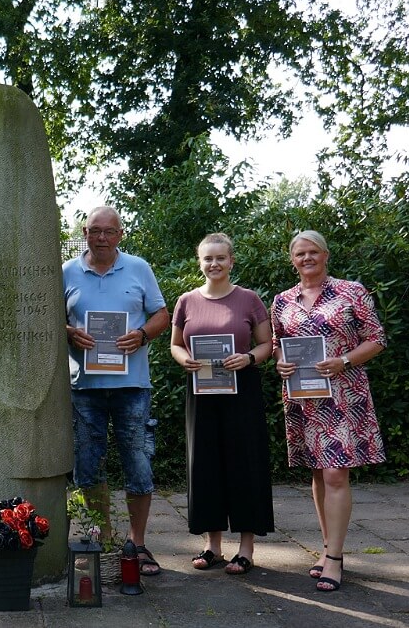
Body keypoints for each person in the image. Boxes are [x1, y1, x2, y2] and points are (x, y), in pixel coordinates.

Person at [271, 230, 387, 593]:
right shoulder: (282, 300)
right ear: (292, 260)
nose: (307, 258)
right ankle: (326, 549)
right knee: (320, 474)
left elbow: (377, 338)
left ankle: (335, 559)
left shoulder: (352, 291)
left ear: (326, 255)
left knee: (336, 474)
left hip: (342, 393)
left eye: (313, 252)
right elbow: (276, 344)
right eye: (300, 253)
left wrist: (344, 360)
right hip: (303, 396)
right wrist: (280, 364)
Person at [63, 206, 170, 576]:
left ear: (120, 235)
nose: (102, 238)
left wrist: (142, 335)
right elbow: (50, 319)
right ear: (85, 232)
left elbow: (162, 315)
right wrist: (68, 332)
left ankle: (137, 543)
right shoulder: (66, 272)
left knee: (138, 466)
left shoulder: (139, 268)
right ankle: (103, 541)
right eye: (95, 231)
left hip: (131, 386)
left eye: (109, 231)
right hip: (85, 387)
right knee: (87, 467)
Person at [169, 233, 275, 575]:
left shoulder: (249, 299)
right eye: (207, 259)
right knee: (205, 466)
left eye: (220, 258)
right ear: (199, 263)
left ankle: (246, 549)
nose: (214, 264)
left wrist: (247, 359)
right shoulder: (186, 301)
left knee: (245, 464)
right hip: (201, 390)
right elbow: (175, 345)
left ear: (231, 261)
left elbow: (267, 345)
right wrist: (183, 358)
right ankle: (212, 546)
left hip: (241, 389)